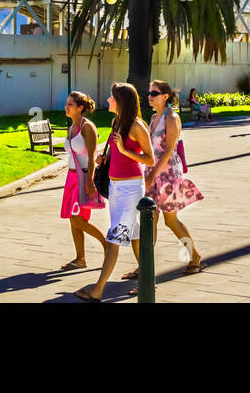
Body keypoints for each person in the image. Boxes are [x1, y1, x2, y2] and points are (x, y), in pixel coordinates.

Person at [73, 82, 154, 302]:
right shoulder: (115, 122)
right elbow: (114, 152)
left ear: (121, 101)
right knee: (135, 235)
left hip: (130, 189)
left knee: (114, 238)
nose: (108, 100)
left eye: (112, 97)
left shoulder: (137, 126)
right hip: (115, 187)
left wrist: (125, 150)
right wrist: (105, 158)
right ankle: (148, 280)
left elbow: (150, 158)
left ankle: (98, 290)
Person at [140, 81, 205, 286]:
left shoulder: (171, 117)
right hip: (153, 170)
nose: (149, 96)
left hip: (167, 174)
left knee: (170, 220)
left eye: (154, 93)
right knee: (149, 219)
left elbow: (169, 150)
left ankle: (194, 255)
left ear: (165, 96)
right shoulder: (153, 117)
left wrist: (153, 174)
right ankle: (144, 264)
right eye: (149, 93)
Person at [59, 91, 106, 270]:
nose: (66, 107)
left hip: (84, 177)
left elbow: (93, 155)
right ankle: (80, 258)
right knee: (73, 220)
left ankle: (107, 245)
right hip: (71, 178)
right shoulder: (71, 127)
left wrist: (90, 181)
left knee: (79, 219)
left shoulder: (88, 127)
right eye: (67, 103)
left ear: (80, 108)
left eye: (70, 104)